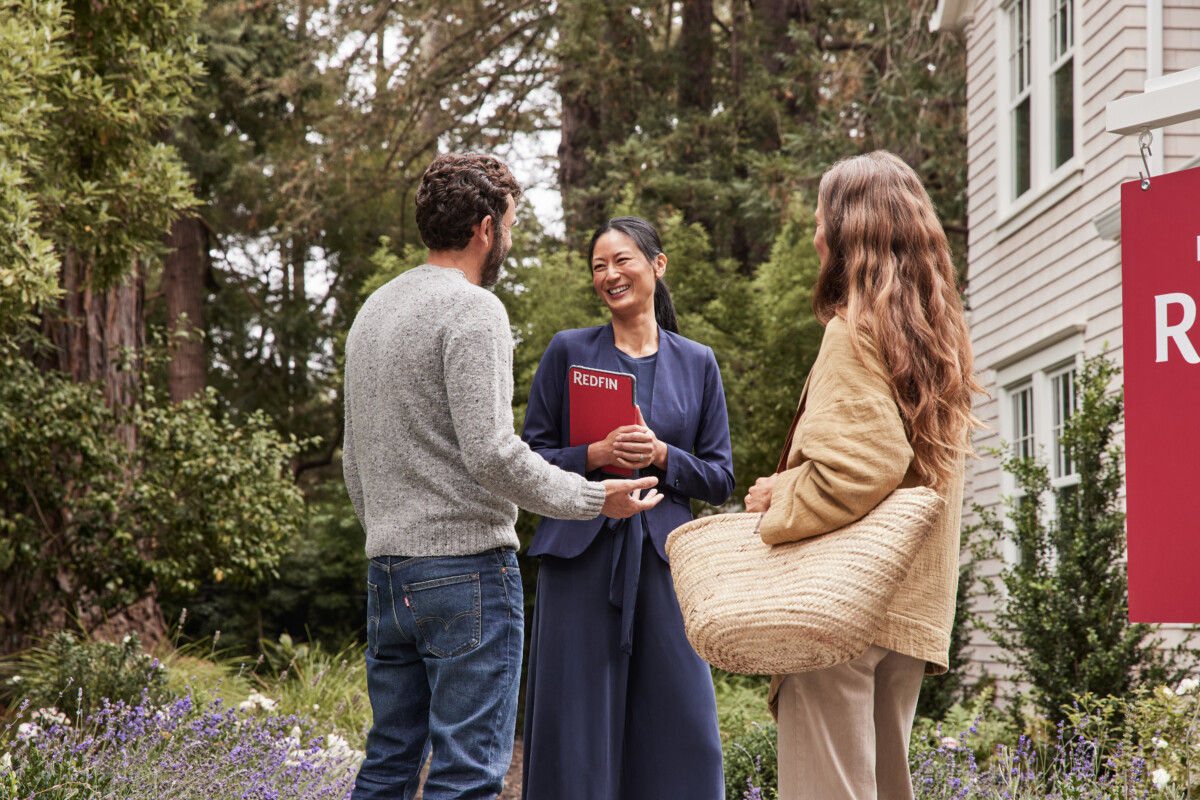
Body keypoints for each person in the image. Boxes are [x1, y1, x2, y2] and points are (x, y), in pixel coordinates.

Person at [342, 154, 663, 800]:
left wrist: (390, 533)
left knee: (388, 764)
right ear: (486, 227)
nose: (509, 240)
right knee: (466, 777)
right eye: (511, 225)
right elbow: (492, 454)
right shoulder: (475, 310)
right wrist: (595, 498)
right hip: (467, 574)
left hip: (388, 573)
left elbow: (355, 457)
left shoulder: (374, 310)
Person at [743, 151, 983, 800]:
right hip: (906, 609)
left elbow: (856, 468)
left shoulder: (854, 333)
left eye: (822, 220)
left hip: (841, 614)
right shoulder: (937, 343)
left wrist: (777, 496)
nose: (816, 235)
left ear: (848, 234)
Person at [519, 216, 735, 800]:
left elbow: (720, 478)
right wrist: (595, 452)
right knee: (579, 724)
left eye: (622, 261)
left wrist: (664, 454)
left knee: (684, 726)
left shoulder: (699, 362)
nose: (610, 274)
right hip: (580, 557)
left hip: (665, 563)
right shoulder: (567, 351)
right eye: (598, 265)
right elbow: (527, 459)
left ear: (656, 266)